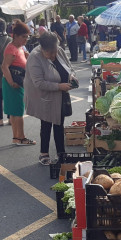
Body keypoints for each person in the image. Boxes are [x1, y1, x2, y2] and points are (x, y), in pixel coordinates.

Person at [25, 32, 75, 166]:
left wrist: (71, 76)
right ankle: (44, 153)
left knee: (59, 123)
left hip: (61, 94)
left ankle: (61, 153)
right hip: (44, 96)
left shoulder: (59, 50)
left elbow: (70, 67)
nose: (53, 55)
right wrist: (59, 86)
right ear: (42, 48)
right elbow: (39, 83)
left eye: (54, 51)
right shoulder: (35, 57)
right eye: (50, 53)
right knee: (46, 124)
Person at [2, 21, 34, 146]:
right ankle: (21, 138)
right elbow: (4, 67)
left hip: (16, 82)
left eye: (27, 37)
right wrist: (11, 82)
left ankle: (16, 137)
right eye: (23, 37)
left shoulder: (18, 47)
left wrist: (26, 56)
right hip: (13, 83)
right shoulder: (11, 48)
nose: (25, 39)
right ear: (15, 36)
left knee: (15, 113)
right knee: (18, 113)